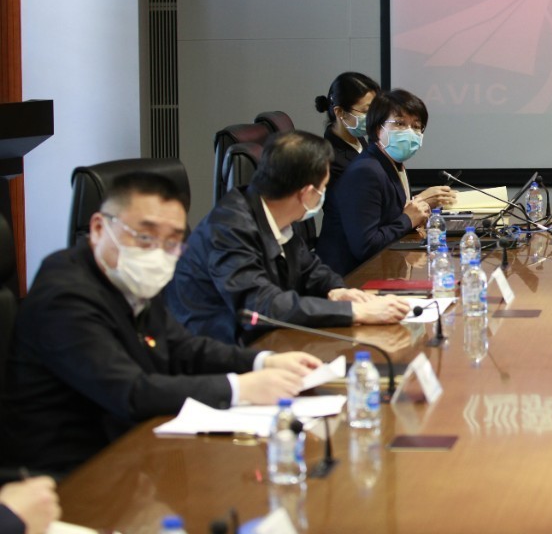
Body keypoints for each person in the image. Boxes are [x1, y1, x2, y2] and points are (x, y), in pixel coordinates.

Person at [2, 173, 319, 474]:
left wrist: (262, 361)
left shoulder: (130, 278)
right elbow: (130, 392)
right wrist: (241, 388)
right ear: (98, 228)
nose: (157, 253)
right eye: (144, 237)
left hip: (131, 450)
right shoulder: (64, 295)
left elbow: (182, 348)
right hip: (67, 474)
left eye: (172, 242)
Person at [167, 130, 410, 344]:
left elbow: (310, 268)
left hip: (265, 341)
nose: (324, 194)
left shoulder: (274, 214)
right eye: (324, 188)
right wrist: (354, 312)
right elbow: (264, 305)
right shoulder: (229, 229)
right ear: (306, 193)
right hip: (223, 353)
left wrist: (336, 290)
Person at [316, 88, 456, 276]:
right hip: (349, 278)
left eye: (416, 126)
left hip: (380, 269)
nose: (410, 132)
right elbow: (366, 246)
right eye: (399, 123)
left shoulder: (391, 162)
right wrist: (408, 219)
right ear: (377, 128)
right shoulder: (366, 172)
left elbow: (390, 213)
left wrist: (418, 208)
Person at [314, 71, 380, 189]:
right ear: (340, 112)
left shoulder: (357, 137)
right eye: (366, 111)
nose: (373, 116)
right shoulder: (331, 160)